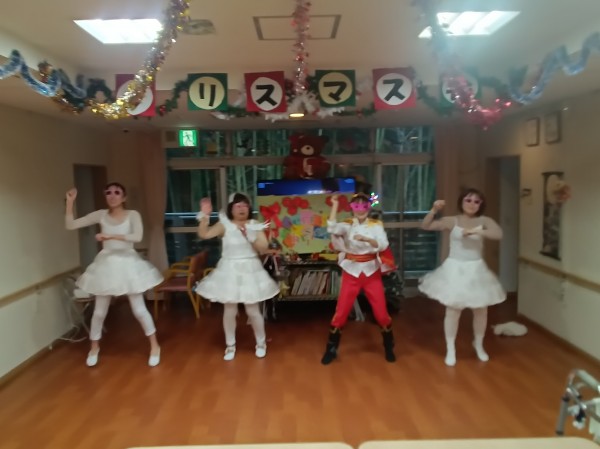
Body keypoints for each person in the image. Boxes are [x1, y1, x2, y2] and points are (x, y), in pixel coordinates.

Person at [65, 183, 163, 367]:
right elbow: (71, 225)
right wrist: (70, 203)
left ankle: (155, 346)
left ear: (124, 197)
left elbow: (137, 237)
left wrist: (110, 236)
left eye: (117, 192)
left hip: (129, 264)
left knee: (139, 310)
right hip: (106, 265)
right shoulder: (101, 215)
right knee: (99, 312)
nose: (112, 195)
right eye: (108, 192)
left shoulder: (133, 214)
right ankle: (94, 348)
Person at [419, 188, 506, 366]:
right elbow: (426, 226)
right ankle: (451, 348)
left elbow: (498, 234)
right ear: (462, 201)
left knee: (481, 310)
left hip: (476, 270)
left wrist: (477, 232)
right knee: (453, 310)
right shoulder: (453, 220)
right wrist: (434, 210)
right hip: (455, 268)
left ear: (481, 205)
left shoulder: (484, 220)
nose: (472, 204)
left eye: (477, 201)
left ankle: (478, 344)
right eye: (468, 200)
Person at [194, 193, 280, 361]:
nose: (242, 209)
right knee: (230, 310)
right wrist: (204, 215)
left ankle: (261, 343)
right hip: (229, 270)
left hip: (250, 269)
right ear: (231, 209)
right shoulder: (224, 224)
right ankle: (230, 345)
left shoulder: (254, 224)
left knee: (252, 310)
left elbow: (263, 248)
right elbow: (204, 234)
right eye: (238, 205)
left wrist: (250, 236)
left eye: (245, 205)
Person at [321, 193, 396, 365]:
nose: (360, 209)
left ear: (368, 207)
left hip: (371, 272)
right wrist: (334, 205)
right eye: (356, 205)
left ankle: (389, 346)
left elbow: (383, 244)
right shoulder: (347, 224)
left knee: (381, 313)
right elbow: (332, 228)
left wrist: (367, 239)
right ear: (352, 207)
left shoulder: (376, 225)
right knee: (341, 313)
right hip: (351, 271)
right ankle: (331, 349)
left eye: (364, 205)